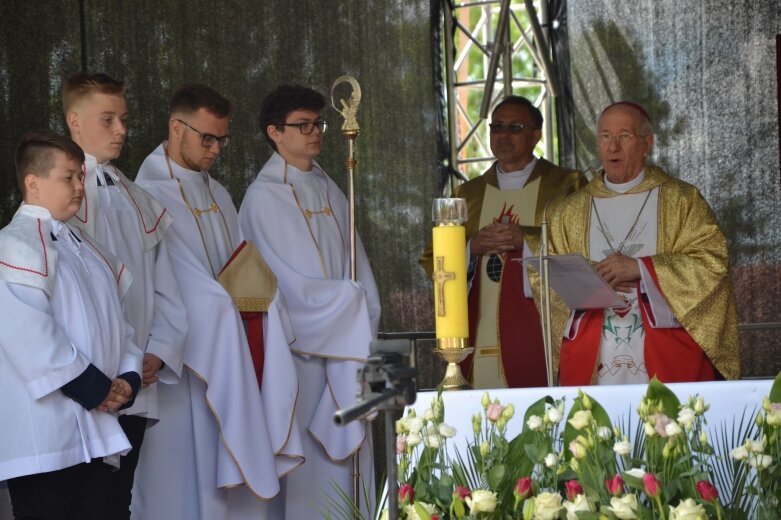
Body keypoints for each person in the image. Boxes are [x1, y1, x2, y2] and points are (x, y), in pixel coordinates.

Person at [131, 84, 301, 520]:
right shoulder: (144, 195)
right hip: (179, 366)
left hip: (232, 356)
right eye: (207, 138)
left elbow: (246, 266)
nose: (216, 149)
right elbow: (177, 282)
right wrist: (226, 314)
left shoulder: (220, 195)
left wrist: (270, 300)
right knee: (180, 487)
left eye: (222, 140)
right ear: (176, 127)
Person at [239, 84, 381, 519]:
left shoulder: (328, 184)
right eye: (303, 125)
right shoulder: (263, 198)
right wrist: (345, 305)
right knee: (312, 476)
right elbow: (280, 285)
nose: (315, 132)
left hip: (345, 345)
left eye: (318, 123)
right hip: (300, 355)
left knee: (349, 468)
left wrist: (360, 310)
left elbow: (357, 265)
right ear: (274, 132)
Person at [62, 72, 188, 518]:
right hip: (85, 382)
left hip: (136, 378)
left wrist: (159, 350)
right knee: (80, 500)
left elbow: (166, 285)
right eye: (108, 119)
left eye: (124, 119)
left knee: (118, 501)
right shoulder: (61, 198)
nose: (121, 130)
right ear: (74, 122)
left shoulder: (137, 197)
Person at [0, 131, 143, 519]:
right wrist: (97, 388)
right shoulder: (15, 245)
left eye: (81, 176)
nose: (81, 187)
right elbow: (28, 334)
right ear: (34, 182)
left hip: (96, 424)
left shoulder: (92, 250)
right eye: (69, 177)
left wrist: (127, 379)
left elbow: (121, 325)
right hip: (46, 435)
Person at [547, 101, 740, 385]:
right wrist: (591, 278)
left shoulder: (682, 200)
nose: (612, 147)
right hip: (593, 355)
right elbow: (547, 278)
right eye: (605, 136)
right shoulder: (567, 210)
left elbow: (712, 262)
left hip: (665, 352)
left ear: (646, 143)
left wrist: (641, 268)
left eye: (624, 136)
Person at [419, 95, 584, 389]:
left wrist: (528, 238)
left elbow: (583, 246)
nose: (503, 135)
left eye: (515, 128)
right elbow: (435, 258)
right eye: (497, 127)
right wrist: (472, 248)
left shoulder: (566, 185)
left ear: (536, 135)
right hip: (477, 327)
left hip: (540, 328)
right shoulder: (467, 194)